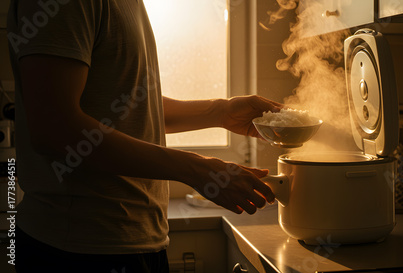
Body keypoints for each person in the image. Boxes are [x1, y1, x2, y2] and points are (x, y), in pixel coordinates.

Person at [7, 0, 279, 272]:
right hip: (79, 251)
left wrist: (222, 112)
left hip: (137, 241)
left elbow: (126, 107)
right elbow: (54, 129)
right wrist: (198, 170)